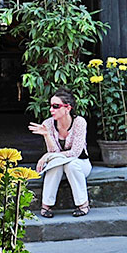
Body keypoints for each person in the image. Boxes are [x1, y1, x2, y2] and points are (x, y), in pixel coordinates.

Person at [29, 87, 92, 218]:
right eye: (51, 106)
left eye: (56, 106)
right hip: (58, 165)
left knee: (71, 164)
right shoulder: (48, 124)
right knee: (56, 164)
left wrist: (47, 156)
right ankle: (46, 205)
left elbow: (75, 152)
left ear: (67, 108)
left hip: (80, 163)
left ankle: (83, 204)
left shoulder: (79, 122)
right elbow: (54, 152)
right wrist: (47, 135)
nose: (51, 110)